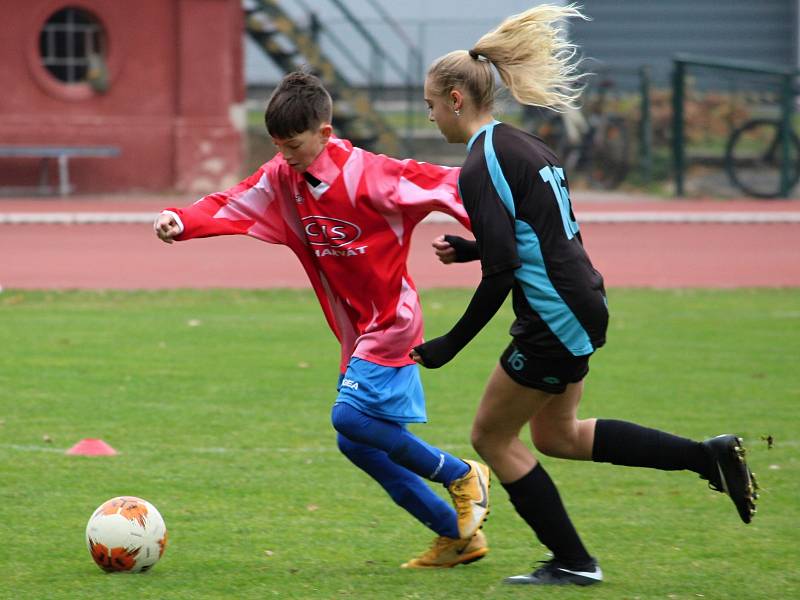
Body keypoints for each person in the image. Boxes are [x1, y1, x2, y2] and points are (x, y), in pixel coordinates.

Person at [410, 4, 758, 587]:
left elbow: (503, 273)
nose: (429, 118)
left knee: (491, 437)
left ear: (453, 98)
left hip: (554, 317)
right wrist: (475, 249)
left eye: (428, 105)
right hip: (581, 302)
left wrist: (450, 343)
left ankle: (574, 561)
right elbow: (532, 236)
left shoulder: (481, 164)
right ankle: (708, 457)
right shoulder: (523, 146)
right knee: (556, 436)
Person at [154, 71, 491, 569]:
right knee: (354, 441)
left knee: (348, 417)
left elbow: (454, 187)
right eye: (277, 145)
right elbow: (232, 201)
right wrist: (180, 220)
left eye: (293, 145)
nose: (285, 155)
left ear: (326, 134)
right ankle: (456, 535)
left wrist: (501, 241)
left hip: (392, 319)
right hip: (355, 330)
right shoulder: (282, 177)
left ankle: (460, 474)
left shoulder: (372, 174)